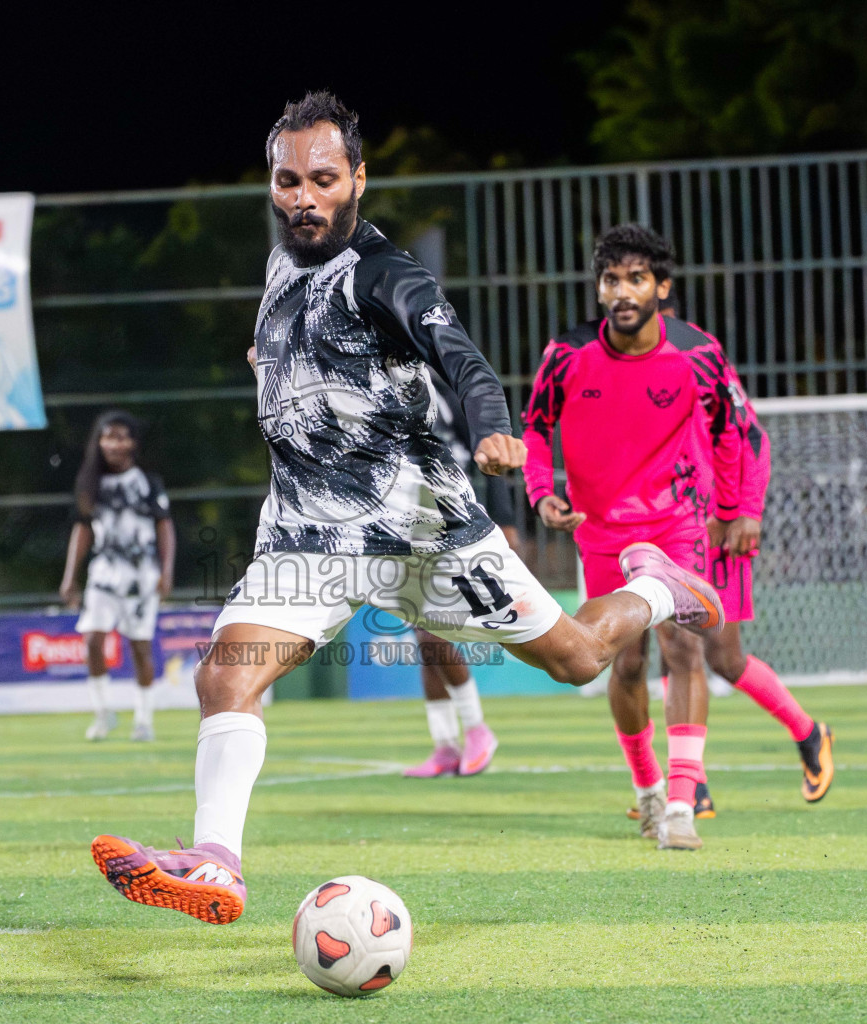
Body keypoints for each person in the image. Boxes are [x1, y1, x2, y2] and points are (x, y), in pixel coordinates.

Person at [88, 91, 723, 925]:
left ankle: (658, 589)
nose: (303, 197)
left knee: (575, 658)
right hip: (310, 532)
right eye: (287, 181)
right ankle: (217, 862)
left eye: (322, 179)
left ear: (358, 178)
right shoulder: (284, 262)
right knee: (223, 676)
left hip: (422, 530)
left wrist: (497, 432)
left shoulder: (388, 276)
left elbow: (463, 362)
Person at [524, 225, 832, 852]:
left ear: (662, 287)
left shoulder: (697, 354)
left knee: (694, 651)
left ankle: (684, 803)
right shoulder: (566, 354)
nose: (622, 291)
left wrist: (740, 510)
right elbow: (534, 428)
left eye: (637, 278)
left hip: (679, 523)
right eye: (611, 279)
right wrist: (540, 493)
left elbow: (742, 435)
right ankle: (650, 791)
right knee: (626, 660)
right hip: (602, 531)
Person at [402, 377, 512, 779]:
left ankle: (478, 730)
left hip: (448, 515)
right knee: (422, 637)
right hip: (399, 519)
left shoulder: (441, 385)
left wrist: (506, 517)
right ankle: (445, 744)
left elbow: (487, 448)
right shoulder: (370, 377)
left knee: (434, 633)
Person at [58, 410, 175, 742]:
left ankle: (144, 719)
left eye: (121, 436)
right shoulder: (89, 484)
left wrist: (166, 572)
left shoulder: (147, 483)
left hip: (141, 575)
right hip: (104, 573)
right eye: (107, 436)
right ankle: (102, 713)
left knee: (140, 647)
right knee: (92, 639)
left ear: (133, 442)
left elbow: (165, 527)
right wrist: (70, 576)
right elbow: (81, 530)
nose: (114, 443)